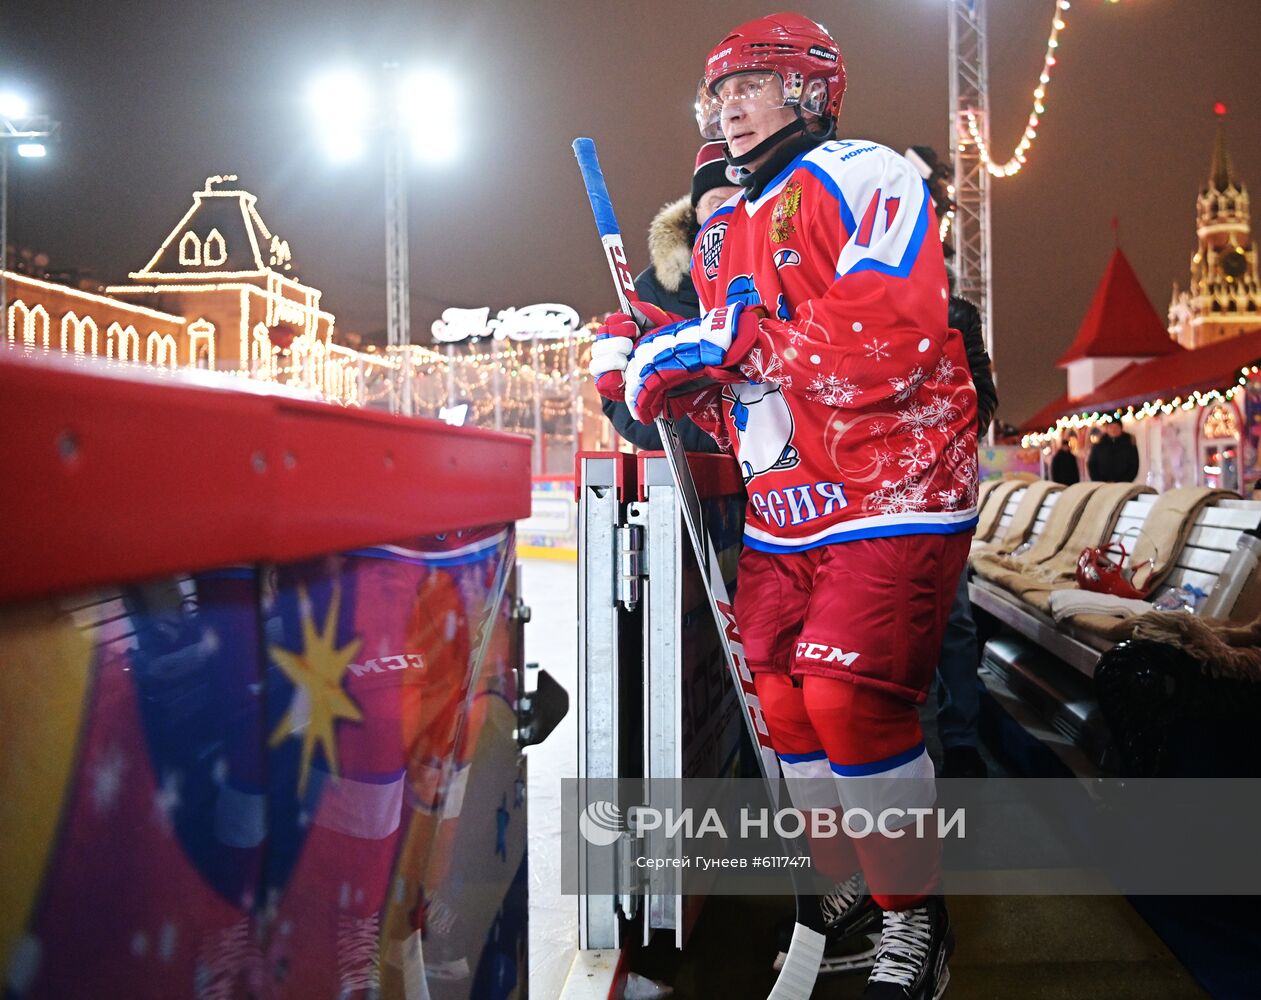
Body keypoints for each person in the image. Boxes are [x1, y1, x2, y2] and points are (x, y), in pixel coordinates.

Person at [590, 13, 976, 998]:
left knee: (851, 696)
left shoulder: (867, 178)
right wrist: (649, 384)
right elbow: (750, 399)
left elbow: (884, 339)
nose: (725, 106)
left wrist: (709, 347)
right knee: (782, 700)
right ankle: (847, 886)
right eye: (714, 93)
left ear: (809, 88)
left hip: (889, 490)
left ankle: (914, 921)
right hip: (786, 510)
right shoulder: (724, 229)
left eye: (745, 85)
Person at [597, 143, 740, 453]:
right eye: (716, 203)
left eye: (741, 201)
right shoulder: (655, 290)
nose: (728, 214)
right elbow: (628, 407)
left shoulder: (786, 267)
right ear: (697, 211)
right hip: (698, 474)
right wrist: (721, 433)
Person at [934, 295, 995, 782]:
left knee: (953, 617)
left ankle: (960, 741)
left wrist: (938, 435)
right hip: (866, 484)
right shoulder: (840, 294)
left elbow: (985, 399)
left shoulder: (957, 315)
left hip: (937, 482)